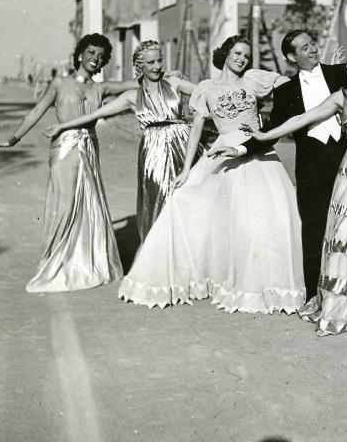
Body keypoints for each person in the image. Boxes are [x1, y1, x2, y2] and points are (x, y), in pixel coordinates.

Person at [118, 35, 305, 313]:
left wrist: (270, 127)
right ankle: (217, 278)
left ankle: (262, 287)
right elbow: (196, 129)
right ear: (226, 55)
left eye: (246, 55)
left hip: (256, 151)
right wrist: (184, 171)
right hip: (222, 153)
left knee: (263, 217)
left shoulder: (254, 79)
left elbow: (295, 86)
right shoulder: (206, 88)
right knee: (211, 213)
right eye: (238, 53)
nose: (242, 59)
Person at [212, 30, 347, 301]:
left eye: (312, 44)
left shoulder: (340, 72)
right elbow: (274, 129)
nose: (312, 50)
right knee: (314, 230)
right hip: (311, 168)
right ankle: (316, 293)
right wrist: (241, 148)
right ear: (292, 56)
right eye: (304, 48)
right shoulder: (286, 90)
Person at [0, 33, 137, 292]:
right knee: (65, 203)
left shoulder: (100, 88)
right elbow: (36, 111)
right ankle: (58, 260)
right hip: (64, 148)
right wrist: (12, 139)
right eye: (91, 53)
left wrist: (167, 77)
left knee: (89, 203)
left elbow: (132, 83)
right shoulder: (59, 83)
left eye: (101, 56)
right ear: (80, 55)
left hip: (89, 148)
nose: (95, 59)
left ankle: (85, 261)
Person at [43, 40, 199, 242]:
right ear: (139, 66)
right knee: (160, 201)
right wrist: (62, 126)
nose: (157, 66)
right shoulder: (131, 96)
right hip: (154, 152)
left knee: (189, 198)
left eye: (160, 61)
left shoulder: (174, 83)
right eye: (150, 62)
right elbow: (95, 115)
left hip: (183, 145)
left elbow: (208, 93)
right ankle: (158, 255)